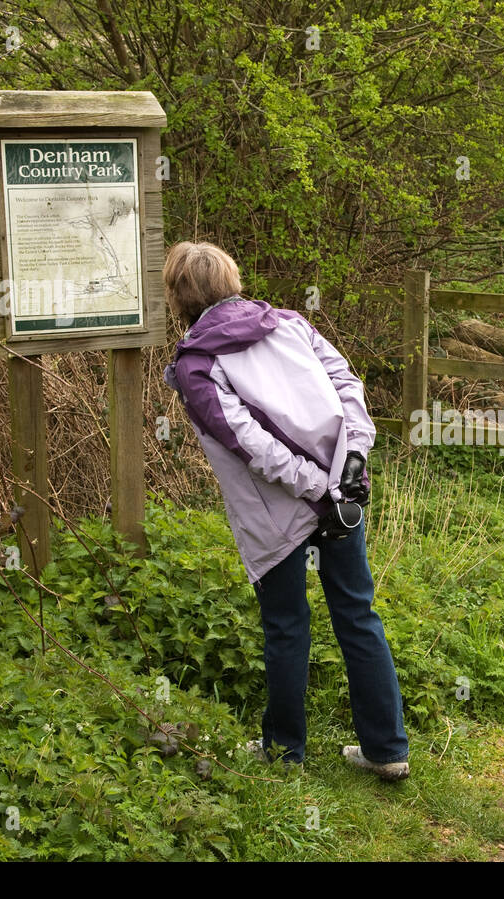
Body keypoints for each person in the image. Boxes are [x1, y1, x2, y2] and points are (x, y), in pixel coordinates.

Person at [161, 241, 410, 780]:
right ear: (232, 280)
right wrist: (350, 464)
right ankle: (387, 751)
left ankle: (284, 752)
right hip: (340, 494)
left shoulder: (197, 366)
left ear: (178, 296)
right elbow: (348, 388)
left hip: (282, 512)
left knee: (286, 627)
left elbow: (249, 444)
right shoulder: (290, 324)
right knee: (357, 615)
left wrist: (325, 483)